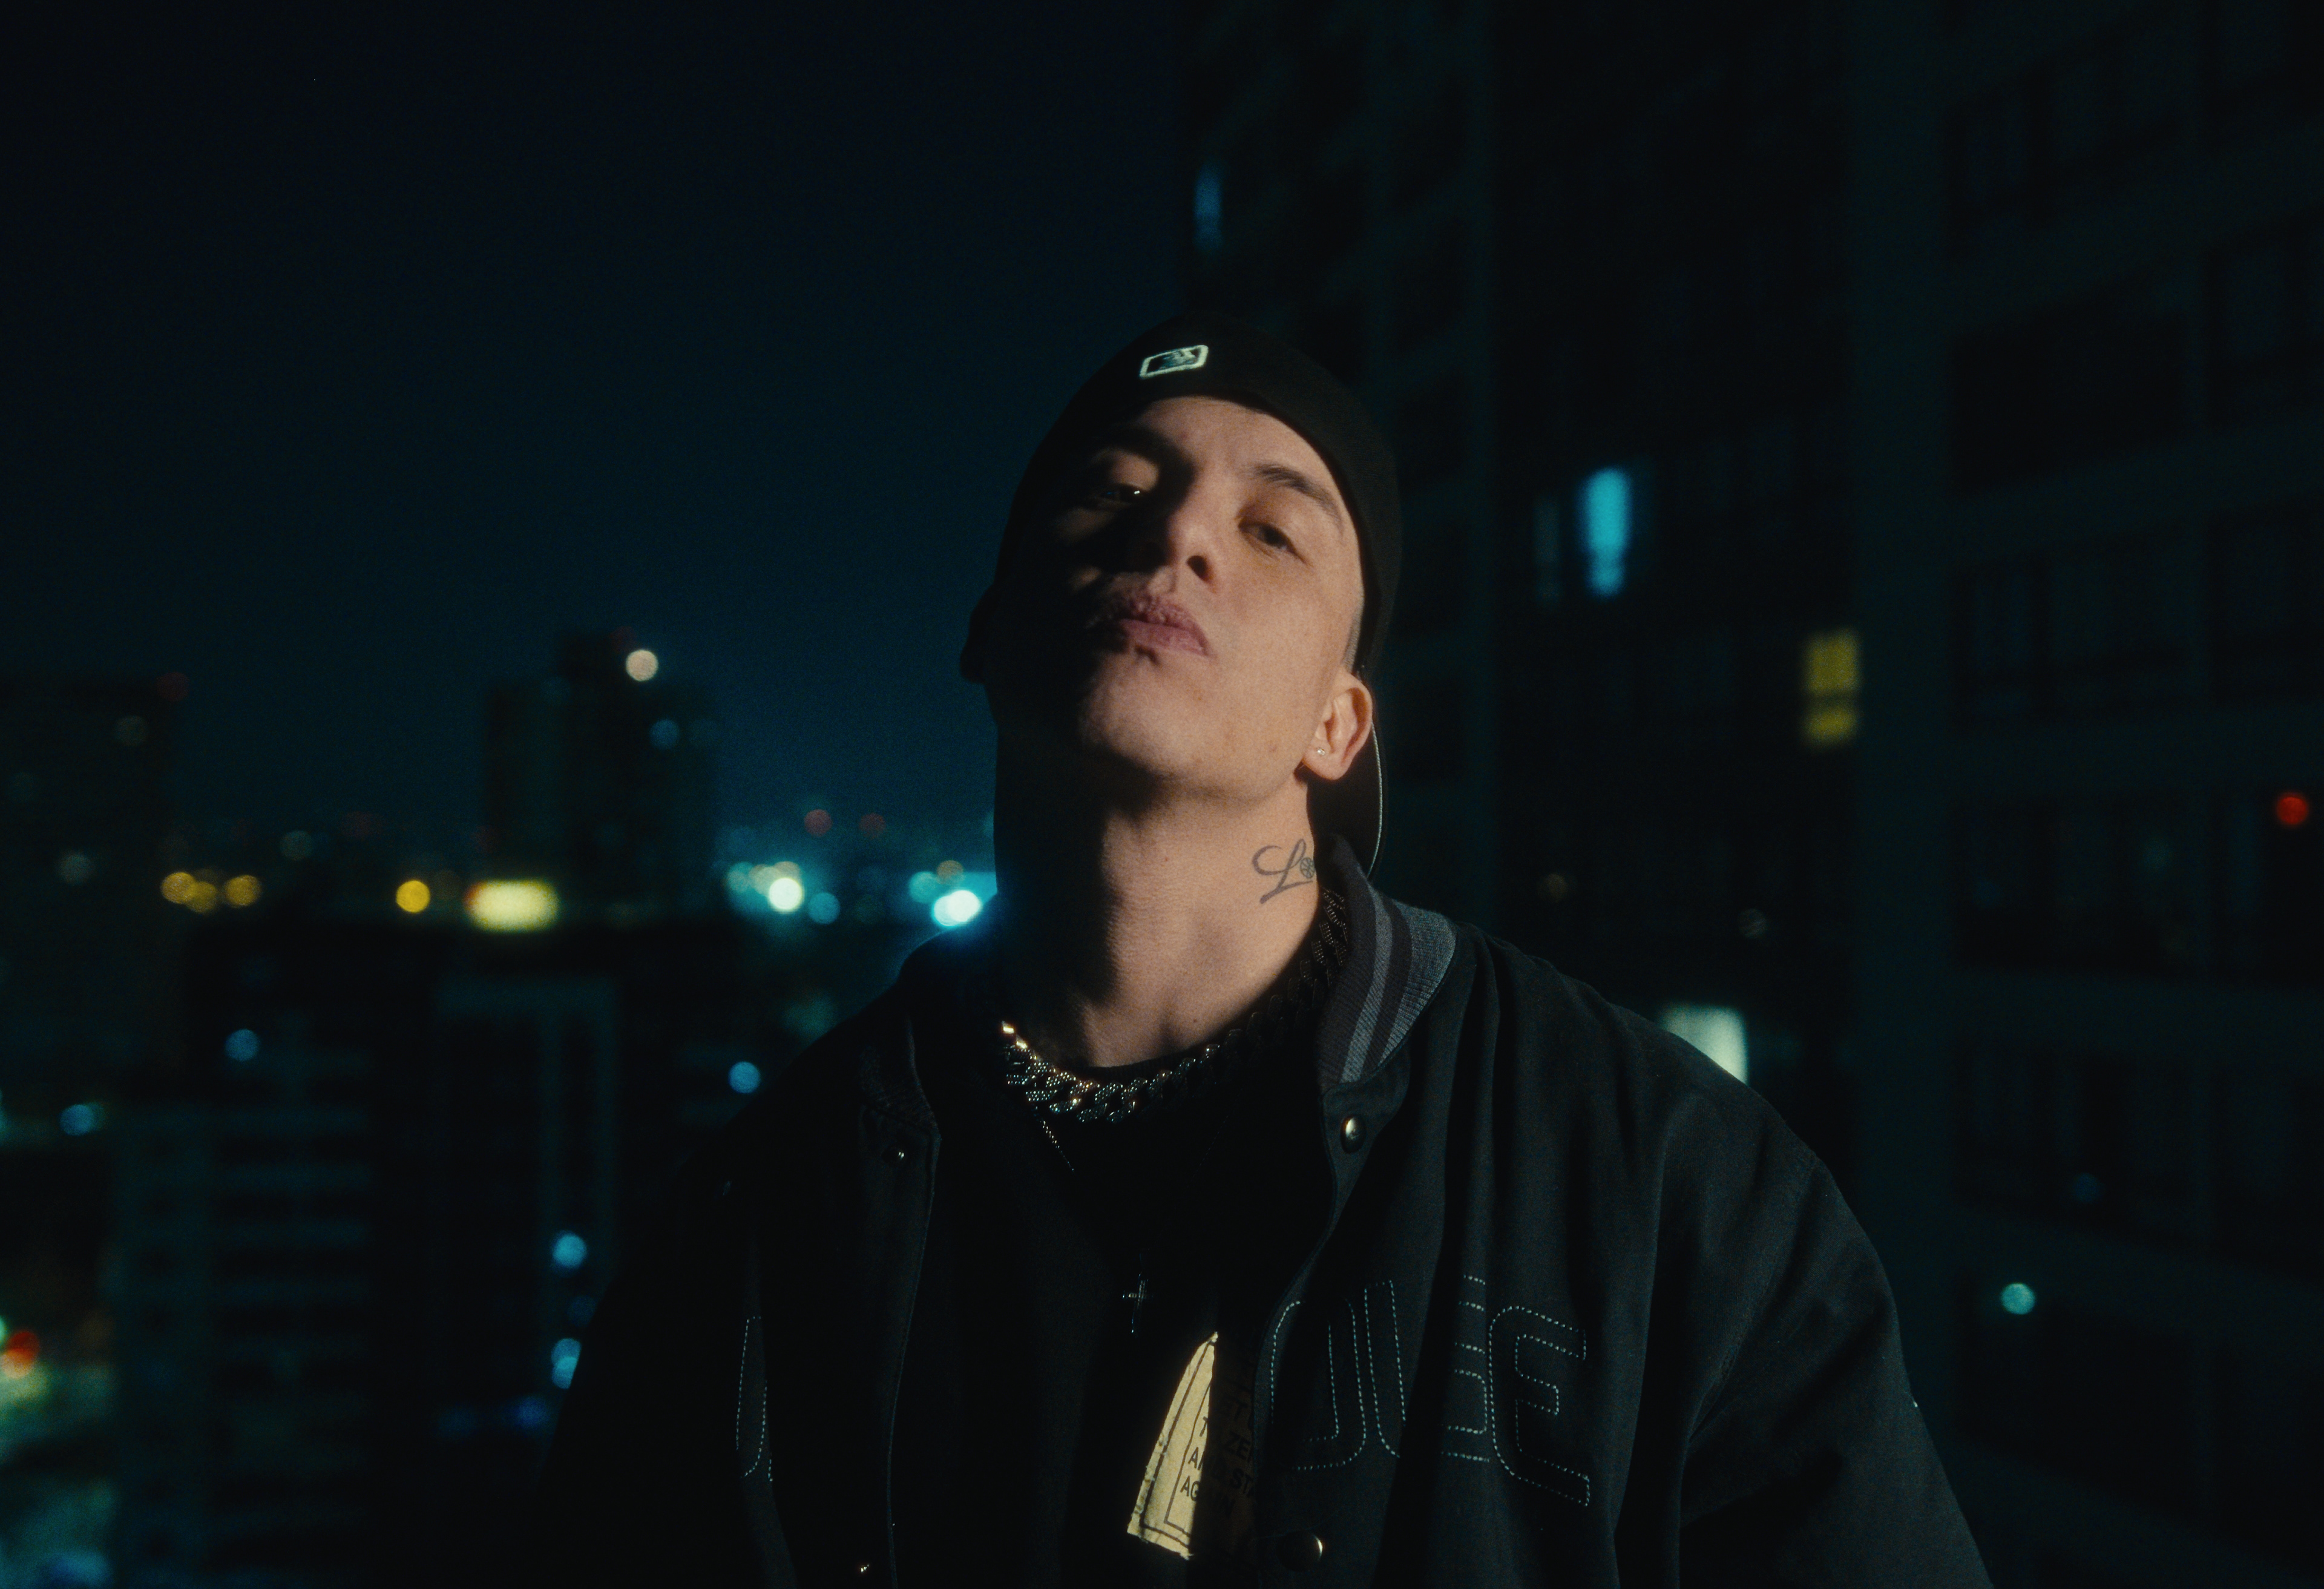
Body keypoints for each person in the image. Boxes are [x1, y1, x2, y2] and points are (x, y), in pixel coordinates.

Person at [528, 313, 1991, 1587]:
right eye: (1114, 491)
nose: (1176, 537)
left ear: (1338, 726)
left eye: (1274, 530)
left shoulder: (1667, 1182)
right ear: (989, 628)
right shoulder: (760, 1207)